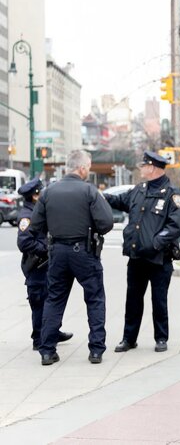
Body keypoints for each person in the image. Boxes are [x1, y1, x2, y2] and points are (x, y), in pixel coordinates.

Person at [30, 150, 113, 365]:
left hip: (57, 251)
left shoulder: (48, 192)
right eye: (89, 166)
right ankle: (96, 350)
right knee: (94, 299)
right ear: (82, 167)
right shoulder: (89, 191)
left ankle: (47, 351)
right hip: (84, 252)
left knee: (54, 299)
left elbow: (35, 226)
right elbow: (106, 223)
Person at [105, 151, 180, 354]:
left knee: (159, 300)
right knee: (132, 300)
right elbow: (118, 201)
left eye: (143, 165)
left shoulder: (171, 194)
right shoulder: (139, 190)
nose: (140, 168)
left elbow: (177, 225)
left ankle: (161, 338)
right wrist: (98, 196)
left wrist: (156, 243)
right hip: (136, 257)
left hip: (159, 258)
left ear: (152, 168)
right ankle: (129, 338)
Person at [16, 178, 73, 351]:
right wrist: (46, 249)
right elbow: (24, 243)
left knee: (50, 299)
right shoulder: (27, 216)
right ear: (34, 196)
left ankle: (52, 331)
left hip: (46, 265)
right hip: (37, 267)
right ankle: (39, 338)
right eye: (41, 192)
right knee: (40, 302)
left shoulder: (38, 211)